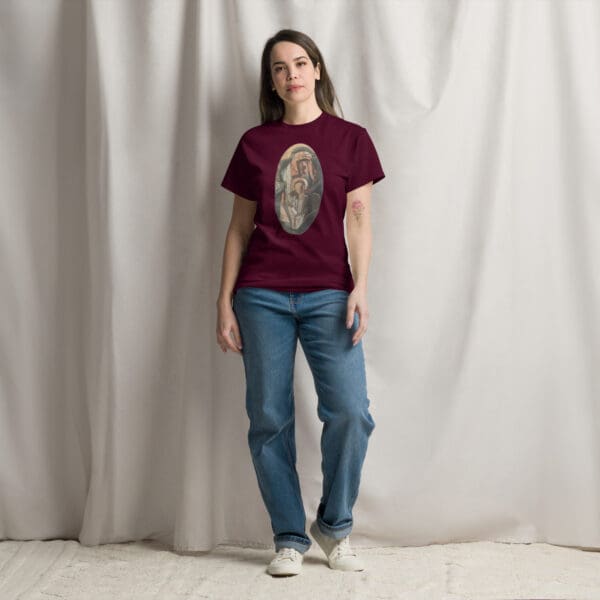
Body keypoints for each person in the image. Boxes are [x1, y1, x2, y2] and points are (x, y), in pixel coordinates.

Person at [216, 28, 385, 577]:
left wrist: (360, 285)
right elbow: (239, 228)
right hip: (260, 295)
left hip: (329, 294)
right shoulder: (254, 144)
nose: (291, 75)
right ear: (272, 81)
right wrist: (224, 302)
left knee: (351, 414)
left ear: (317, 69)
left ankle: (333, 527)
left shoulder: (351, 139)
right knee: (268, 417)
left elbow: (358, 218)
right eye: (279, 68)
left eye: (300, 63)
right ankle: (289, 535)